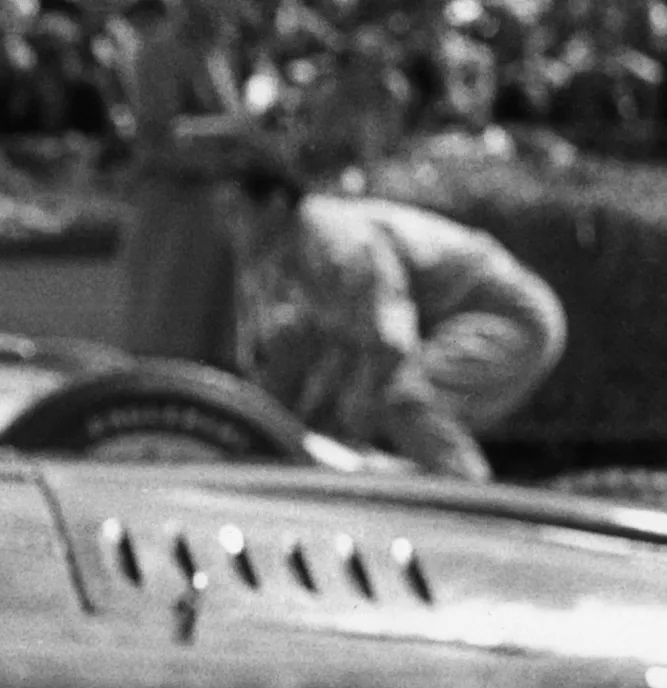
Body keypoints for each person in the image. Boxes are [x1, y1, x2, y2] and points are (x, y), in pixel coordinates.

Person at [220, 137, 566, 481]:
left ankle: (466, 496)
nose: (226, 226)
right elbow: (328, 351)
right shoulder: (286, 252)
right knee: (353, 407)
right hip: (456, 318)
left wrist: (342, 423)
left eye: (236, 211)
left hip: (506, 315)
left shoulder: (339, 242)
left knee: (408, 396)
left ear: (276, 203)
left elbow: (389, 343)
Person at [115, 0, 247, 368]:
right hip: (173, 203)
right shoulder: (158, 53)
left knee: (219, 336)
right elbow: (162, 133)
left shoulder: (218, 53)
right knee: (166, 330)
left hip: (217, 203)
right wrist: (240, 129)